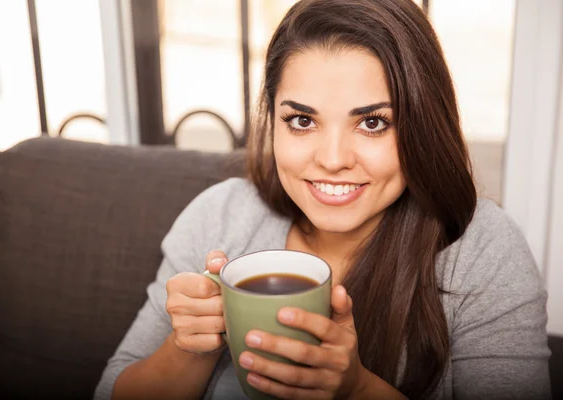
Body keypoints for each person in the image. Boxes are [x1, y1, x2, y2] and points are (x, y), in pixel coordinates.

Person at [95, 0, 551, 399]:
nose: (332, 160)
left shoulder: (483, 252)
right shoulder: (220, 217)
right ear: (271, 118)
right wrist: (189, 348)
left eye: (373, 123)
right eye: (301, 121)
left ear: (423, 125)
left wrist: (356, 390)